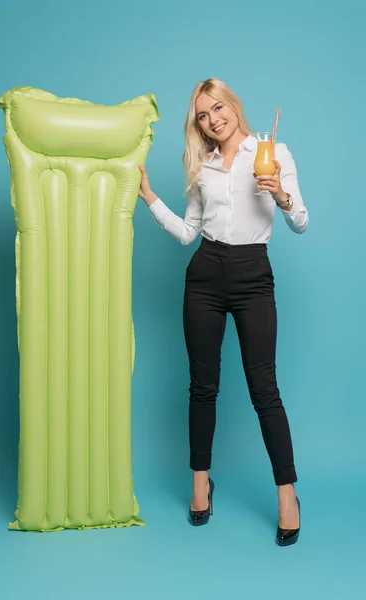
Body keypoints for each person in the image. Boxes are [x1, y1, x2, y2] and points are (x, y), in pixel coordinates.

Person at [138, 78, 309, 546]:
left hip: (254, 274)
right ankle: (199, 487)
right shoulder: (203, 168)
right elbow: (188, 232)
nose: (214, 120)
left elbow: (301, 221)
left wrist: (279, 195)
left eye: (218, 108)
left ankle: (287, 495)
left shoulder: (273, 152)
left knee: (264, 388)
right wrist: (150, 197)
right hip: (205, 275)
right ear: (199, 125)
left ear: (233, 105)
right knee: (202, 386)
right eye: (203, 116)